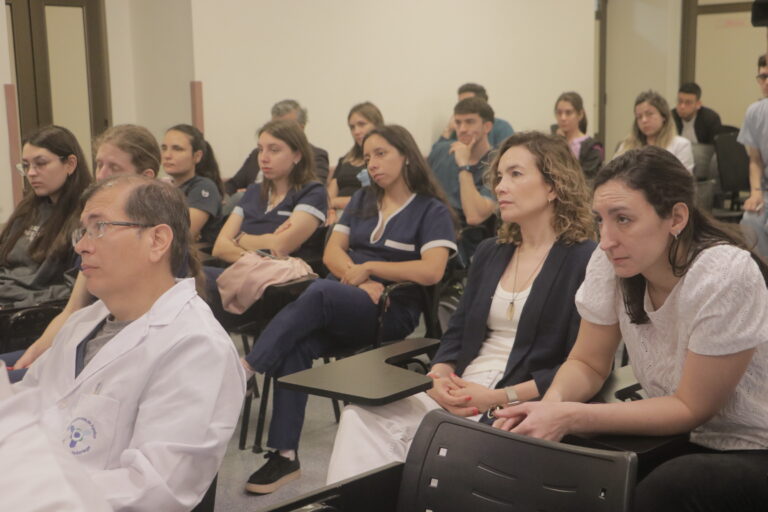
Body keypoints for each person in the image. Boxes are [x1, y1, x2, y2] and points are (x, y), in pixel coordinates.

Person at [491, 146, 768, 512]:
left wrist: (572, 415)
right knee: (565, 463)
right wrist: (551, 408)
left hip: (754, 442)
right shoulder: (612, 262)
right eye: (600, 220)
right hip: (686, 433)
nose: (605, 239)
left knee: (673, 487)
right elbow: (588, 363)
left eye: (623, 219)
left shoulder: (723, 275)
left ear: (676, 218)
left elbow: (691, 407)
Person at [326, 132, 597, 483]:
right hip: (462, 388)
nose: (500, 186)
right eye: (499, 176)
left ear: (552, 187)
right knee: (360, 417)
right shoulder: (490, 252)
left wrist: (496, 396)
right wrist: (438, 377)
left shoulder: (583, 259)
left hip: (518, 400)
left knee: (439, 451)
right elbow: (455, 333)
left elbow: (577, 363)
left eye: (515, 174)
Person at [240, 125, 457, 495]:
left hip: (392, 311)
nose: (372, 163)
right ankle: (285, 454)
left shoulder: (430, 209)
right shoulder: (361, 201)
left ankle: (246, 369)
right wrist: (358, 278)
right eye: (368, 155)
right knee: (297, 345)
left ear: (406, 155)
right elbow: (331, 253)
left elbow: (431, 269)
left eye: (381, 153)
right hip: (348, 300)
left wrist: (371, 270)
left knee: (318, 290)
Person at [15, 175, 246, 511]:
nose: (81, 246)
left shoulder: (196, 347)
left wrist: (30, 493)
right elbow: (28, 406)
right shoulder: (83, 323)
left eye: (100, 227)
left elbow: (153, 490)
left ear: (157, 240)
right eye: (83, 231)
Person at [5, 124, 161, 380]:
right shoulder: (94, 229)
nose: (102, 176)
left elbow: (137, 332)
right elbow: (73, 309)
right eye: (99, 165)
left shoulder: (152, 240)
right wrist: (37, 351)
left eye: (114, 168)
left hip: (114, 357)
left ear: (146, 176)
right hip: (83, 340)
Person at [0, 125, 91, 310]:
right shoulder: (27, 209)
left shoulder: (85, 217)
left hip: (32, 313)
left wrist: (18, 301)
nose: (31, 173)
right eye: (26, 166)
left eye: (40, 164)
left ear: (70, 164)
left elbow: (73, 291)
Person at [428, 97, 497, 263]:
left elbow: (474, 216)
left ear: (487, 127)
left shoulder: (496, 163)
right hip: (430, 229)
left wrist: (464, 166)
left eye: (470, 122)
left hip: (464, 245)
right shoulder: (443, 150)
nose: (462, 129)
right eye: (458, 123)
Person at [225, 99, 330, 193]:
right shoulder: (257, 154)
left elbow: (312, 190)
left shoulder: (317, 155)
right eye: (274, 126)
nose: (277, 131)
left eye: (285, 127)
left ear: (301, 128)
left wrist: (254, 194)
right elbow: (232, 185)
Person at [161, 124, 225, 245]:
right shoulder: (162, 187)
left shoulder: (204, 187)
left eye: (177, 149)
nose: (167, 155)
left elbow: (182, 235)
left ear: (196, 156)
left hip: (197, 260)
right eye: (164, 148)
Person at [327, 102, 384, 223]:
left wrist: (335, 202)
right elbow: (328, 197)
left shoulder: (382, 158)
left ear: (376, 124)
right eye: (352, 127)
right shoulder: (345, 159)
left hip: (364, 215)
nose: (356, 131)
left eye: (361, 124)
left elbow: (376, 198)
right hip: (335, 216)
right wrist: (330, 212)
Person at [615, 90, 694, 173]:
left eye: (649, 114)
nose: (644, 120)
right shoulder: (627, 145)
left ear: (663, 116)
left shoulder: (680, 145)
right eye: (639, 117)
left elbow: (684, 182)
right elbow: (613, 175)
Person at [738, 91, 768, 259]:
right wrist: (755, 193)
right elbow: (755, 160)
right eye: (763, 76)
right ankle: (761, 277)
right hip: (765, 190)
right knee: (750, 221)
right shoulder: (756, 112)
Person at [440, 83, 514, 148]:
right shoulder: (458, 127)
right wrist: (448, 130)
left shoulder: (502, 127)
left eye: (469, 101)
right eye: (460, 102)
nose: (463, 129)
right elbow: (439, 153)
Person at [554, 91, 604, 182]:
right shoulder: (552, 143)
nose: (563, 118)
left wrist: (564, 146)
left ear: (580, 114)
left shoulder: (593, 147)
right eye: (559, 113)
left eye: (568, 113)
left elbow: (588, 180)